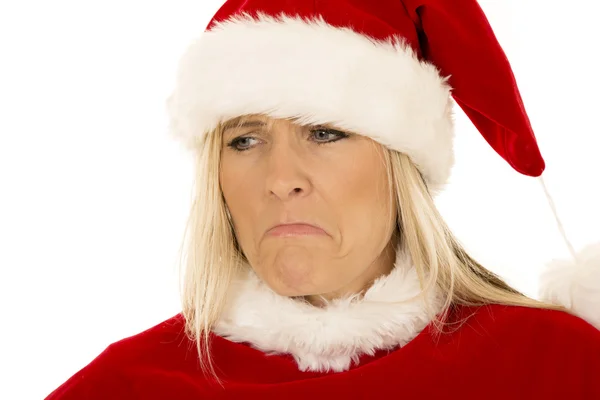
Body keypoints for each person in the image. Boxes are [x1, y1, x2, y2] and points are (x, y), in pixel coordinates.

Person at [46, 0, 600, 399]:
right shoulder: (131, 385)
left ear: (399, 164)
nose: (281, 177)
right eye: (245, 139)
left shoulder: (557, 368)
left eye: (326, 133)